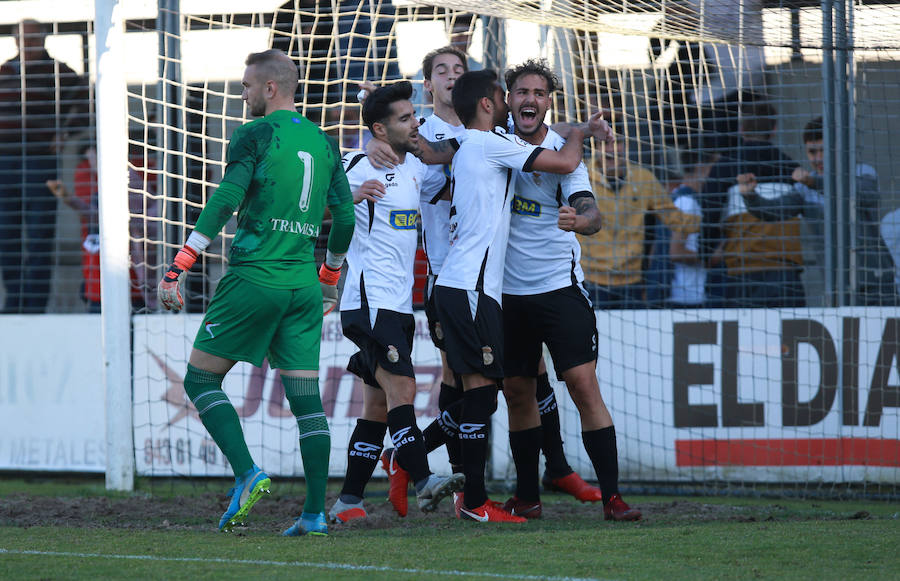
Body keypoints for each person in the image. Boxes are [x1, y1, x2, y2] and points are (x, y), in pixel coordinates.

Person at [156, 49, 355, 536]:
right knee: (308, 403)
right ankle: (313, 514)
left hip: (253, 278)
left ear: (270, 88)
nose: (242, 94)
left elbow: (226, 198)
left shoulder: (255, 133)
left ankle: (247, 474)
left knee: (201, 383)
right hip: (303, 287)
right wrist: (328, 279)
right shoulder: (324, 143)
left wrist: (180, 265)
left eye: (246, 86)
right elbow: (346, 218)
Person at [434, 69, 586, 523]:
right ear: (487, 103)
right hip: (471, 289)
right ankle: (473, 501)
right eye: (504, 95)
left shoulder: (471, 147)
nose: (506, 104)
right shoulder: (486, 142)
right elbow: (563, 163)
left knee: (480, 393)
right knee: (481, 397)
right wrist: (578, 133)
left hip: (463, 286)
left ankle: (413, 459)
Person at [497, 59, 640, 521]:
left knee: (582, 386)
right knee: (518, 394)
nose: (530, 100)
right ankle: (527, 497)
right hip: (507, 296)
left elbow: (591, 211)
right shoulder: (492, 143)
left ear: (547, 102)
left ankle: (613, 497)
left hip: (560, 291)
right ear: (507, 100)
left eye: (539, 93)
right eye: (522, 92)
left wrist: (581, 220)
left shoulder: (564, 151)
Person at [328, 82, 463, 524]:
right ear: (379, 129)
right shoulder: (355, 163)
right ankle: (425, 481)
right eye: (405, 118)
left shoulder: (418, 170)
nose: (415, 123)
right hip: (368, 302)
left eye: (414, 115)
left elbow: (457, 149)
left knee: (378, 407)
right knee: (403, 390)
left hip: (399, 306)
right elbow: (312, 205)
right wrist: (348, 197)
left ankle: (348, 501)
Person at [736, 117, 897, 306]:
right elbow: (774, 211)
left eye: (824, 150)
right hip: (836, 285)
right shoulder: (805, 188)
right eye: (812, 152)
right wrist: (751, 196)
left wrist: (817, 183)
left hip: (877, 281)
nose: (818, 158)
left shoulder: (861, 172)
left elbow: (863, 195)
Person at [0, 19, 90, 313]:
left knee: (40, 234)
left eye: (34, 37)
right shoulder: (3, 73)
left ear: (44, 38)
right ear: (15, 40)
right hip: (5, 162)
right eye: (23, 38)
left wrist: (67, 131)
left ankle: (35, 306)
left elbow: (87, 104)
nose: (29, 43)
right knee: (7, 235)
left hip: (40, 163)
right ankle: (15, 303)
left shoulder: (59, 72)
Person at [578, 130, 700, 309]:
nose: (612, 149)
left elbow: (674, 217)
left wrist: (705, 223)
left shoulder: (643, 178)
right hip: (590, 278)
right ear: (595, 148)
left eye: (617, 143)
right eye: (606, 143)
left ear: (626, 147)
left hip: (631, 279)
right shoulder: (579, 175)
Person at [702, 101, 799, 307]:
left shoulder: (725, 168)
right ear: (774, 130)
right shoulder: (791, 169)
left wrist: (706, 254)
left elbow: (709, 215)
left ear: (741, 129)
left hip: (742, 274)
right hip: (785, 274)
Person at [46, 145, 159, 312]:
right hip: (99, 284)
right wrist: (69, 199)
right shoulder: (86, 172)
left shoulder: (142, 172)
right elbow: (96, 215)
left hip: (137, 286)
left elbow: (145, 223)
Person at [665, 147, 720, 308]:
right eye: (714, 167)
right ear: (700, 167)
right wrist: (713, 256)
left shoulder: (680, 198)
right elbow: (676, 252)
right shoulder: (686, 202)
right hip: (686, 296)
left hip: (686, 293)